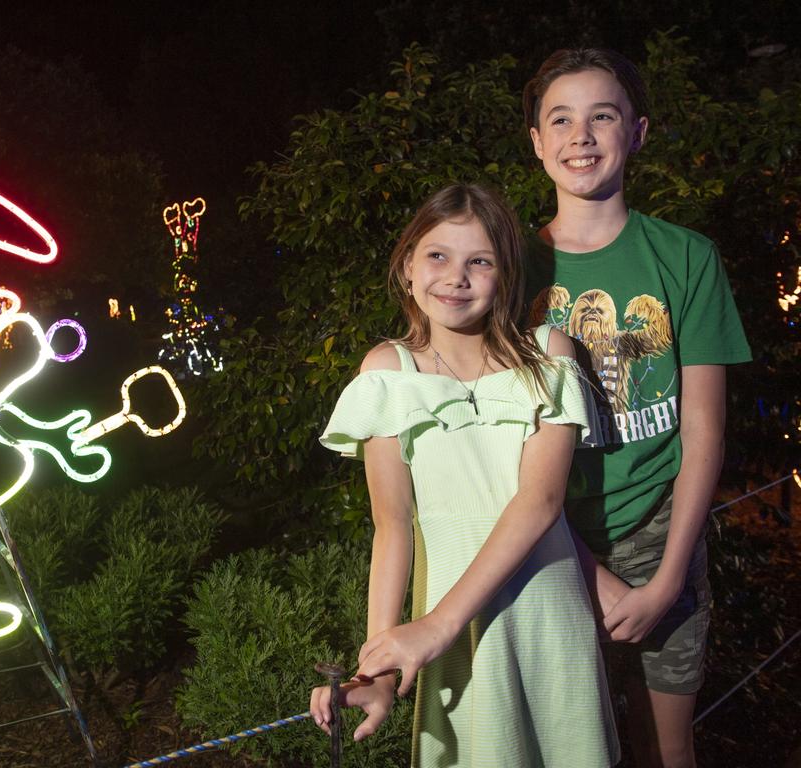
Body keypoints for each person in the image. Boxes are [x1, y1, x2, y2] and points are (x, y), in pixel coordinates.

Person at [310, 183, 620, 767]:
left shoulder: (550, 353)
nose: (457, 276)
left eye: (480, 260)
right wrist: (376, 664)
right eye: (438, 256)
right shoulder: (386, 371)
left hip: (542, 609)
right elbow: (392, 525)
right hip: (450, 627)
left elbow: (540, 500)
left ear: (505, 274)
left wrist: (435, 626)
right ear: (407, 267)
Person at [522, 49, 752, 768]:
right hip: (551, 544)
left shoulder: (686, 258)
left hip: (664, 534)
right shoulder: (510, 269)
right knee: (571, 747)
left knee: (666, 748)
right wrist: (588, 569)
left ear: (639, 132)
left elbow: (705, 430)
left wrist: (669, 575)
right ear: (536, 141)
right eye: (560, 118)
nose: (581, 135)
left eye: (603, 116)